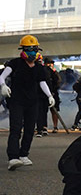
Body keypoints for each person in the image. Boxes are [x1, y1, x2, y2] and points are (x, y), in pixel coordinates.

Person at [0, 35, 56, 170]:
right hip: (17, 101)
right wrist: (3, 86)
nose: (32, 52)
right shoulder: (15, 63)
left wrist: (49, 95)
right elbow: (1, 76)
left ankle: (24, 154)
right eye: (28, 49)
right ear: (23, 49)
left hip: (33, 102)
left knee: (30, 129)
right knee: (16, 128)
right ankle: (13, 157)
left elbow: (42, 82)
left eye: (34, 49)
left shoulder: (39, 68)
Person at [43, 57, 63, 133]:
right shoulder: (42, 71)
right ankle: (43, 126)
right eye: (48, 63)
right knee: (43, 111)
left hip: (54, 93)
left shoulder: (55, 73)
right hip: (43, 94)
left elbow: (58, 81)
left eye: (51, 63)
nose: (50, 65)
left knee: (54, 111)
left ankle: (55, 126)